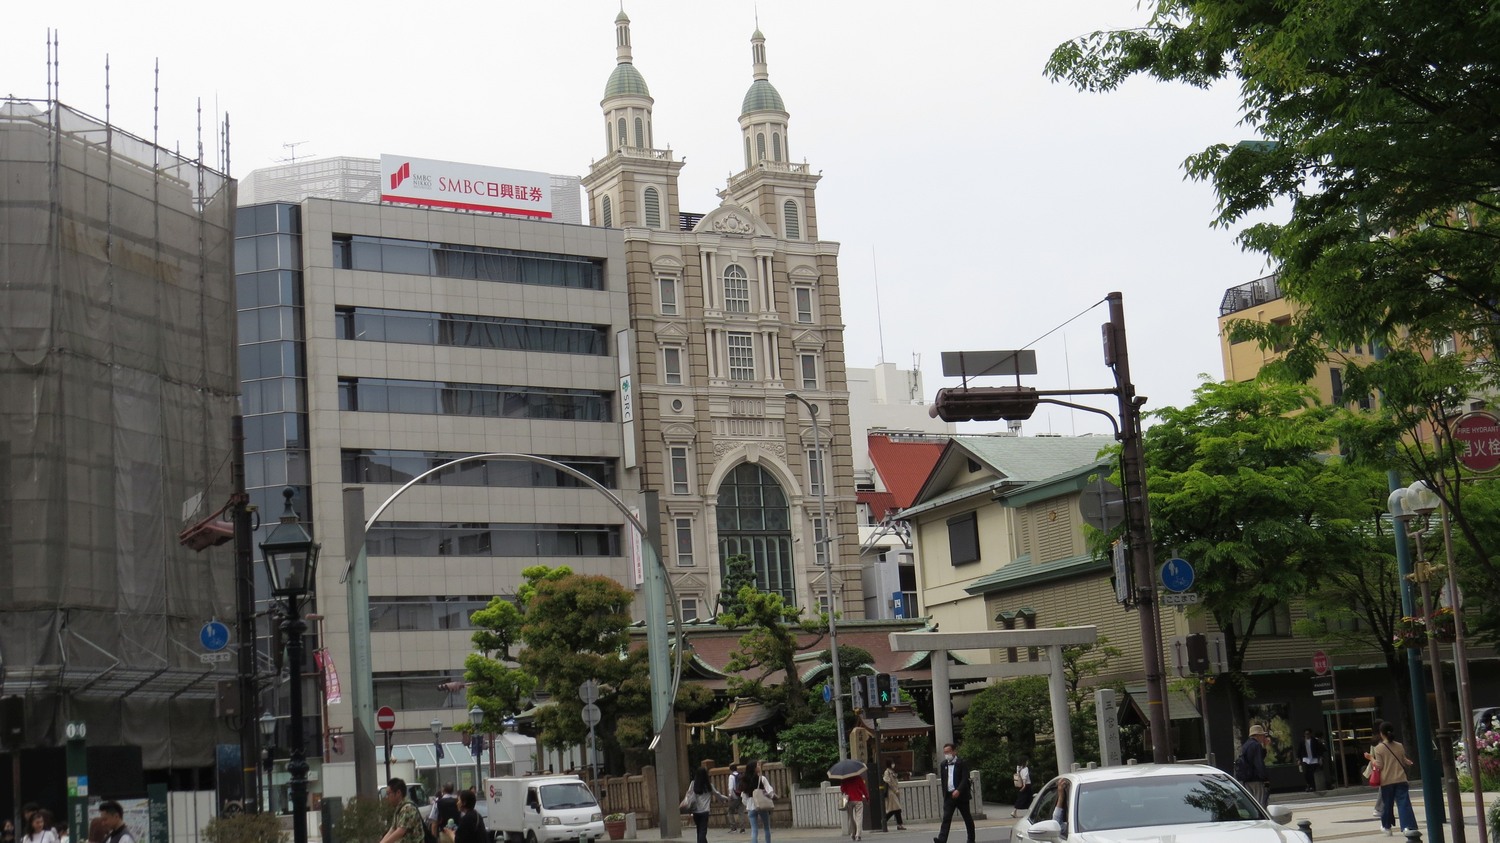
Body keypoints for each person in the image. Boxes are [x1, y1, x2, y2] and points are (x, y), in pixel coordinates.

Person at [1371, 721, 1417, 836]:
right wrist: (1408, 762)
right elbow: (1403, 760)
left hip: (1387, 781)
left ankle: (1387, 827)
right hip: (1401, 779)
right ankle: (1407, 826)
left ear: (1381, 733)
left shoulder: (1379, 748)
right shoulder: (1399, 745)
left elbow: (1379, 765)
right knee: (1404, 803)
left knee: (1387, 804)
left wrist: (1371, 758)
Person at [934, 743, 974, 843]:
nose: (946, 754)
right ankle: (941, 839)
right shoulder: (943, 764)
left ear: (954, 752)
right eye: (945, 752)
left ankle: (971, 839)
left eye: (948, 752)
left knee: (967, 818)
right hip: (949, 796)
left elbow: (964, 779)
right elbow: (944, 780)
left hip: (961, 795)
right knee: (946, 818)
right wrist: (945, 794)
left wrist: (958, 790)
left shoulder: (961, 763)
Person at [685, 766, 726, 843]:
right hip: (705, 811)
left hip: (695, 810)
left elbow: (689, 794)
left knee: (699, 829)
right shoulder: (709, 785)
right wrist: (726, 798)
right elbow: (718, 794)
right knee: (703, 831)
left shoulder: (693, 784)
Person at [380, 778, 427, 843]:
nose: (387, 797)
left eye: (388, 794)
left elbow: (400, 831)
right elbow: (392, 830)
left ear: (398, 793)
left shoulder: (408, 808)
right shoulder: (399, 808)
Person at [1235, 724, 1270, 806]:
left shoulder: (1245, 745)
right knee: (1260, 803)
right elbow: (1259, 763)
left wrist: (1264, 746)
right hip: (1256, 779)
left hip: (1246, 779)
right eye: (1262, 735)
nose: (1263, 737)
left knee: (1252, 803)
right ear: (1258, 735)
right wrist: (1265, 778)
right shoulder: (1256, 745)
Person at [740, 760, 774, 843]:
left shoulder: (745, 780)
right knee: (766, 827)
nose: (759, 767)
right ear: (754, 768)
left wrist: (748, 803)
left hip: (751, 805)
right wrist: (770, 796)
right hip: (761, 804)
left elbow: (743, 796)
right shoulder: (762, 778)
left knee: (754, 830)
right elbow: (770, 791)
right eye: (757, 765)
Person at [839, 772, 868, 842]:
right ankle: (858, 835)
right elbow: (863, 788)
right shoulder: (858, 778)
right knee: (859, 817)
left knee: (851, 818)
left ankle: (853, 833)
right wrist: (867, 797)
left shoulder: (845, 779)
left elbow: (842, 789)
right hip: (858, 799)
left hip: (849, 800)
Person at [882, 761, 906, 831]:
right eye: (892, 763)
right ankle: (884, 820)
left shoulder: (892, 772)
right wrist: (895, 790)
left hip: (894, 792)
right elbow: (888, 782)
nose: (893, 764)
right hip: (891, 793)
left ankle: (899, 824)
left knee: (895, 809)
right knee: (896, 808)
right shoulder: (887, 772)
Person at [725, 763, 745, 833]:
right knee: (741, 812)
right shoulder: (740, 775)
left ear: (730, 769)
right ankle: (742, 828)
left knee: (730, 811)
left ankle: (733, 828)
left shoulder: (731, 776)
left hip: (734, 796)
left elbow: (731, 788)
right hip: (741, 795)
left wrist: (730, 796)